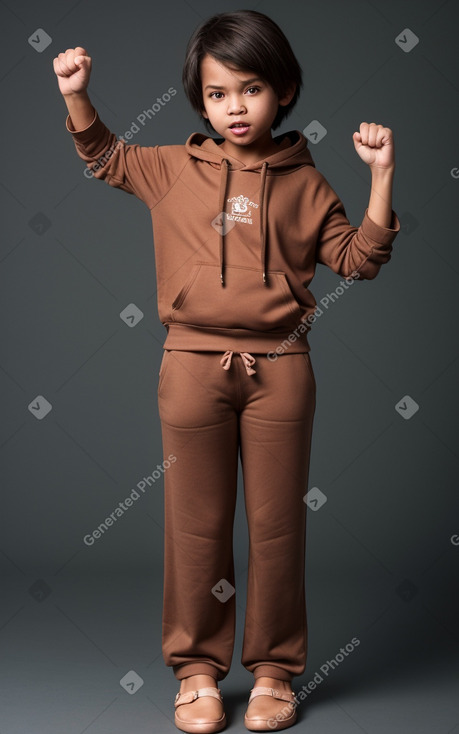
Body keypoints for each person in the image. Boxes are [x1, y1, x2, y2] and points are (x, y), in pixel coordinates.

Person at [53, 9, 400, 732]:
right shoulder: (171, 168)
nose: (233, 107)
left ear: (284, 90)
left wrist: (380, 177)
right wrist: (75, 93)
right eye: (216, 94)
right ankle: (197, 671)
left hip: (281, 368)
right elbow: (103, 155)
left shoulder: (307, 184)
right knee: (195, 525)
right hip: (189, 367)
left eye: (249, 89)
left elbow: (358, 261)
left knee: (276, 528)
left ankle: (273, 671)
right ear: (199, 100)